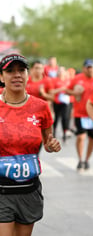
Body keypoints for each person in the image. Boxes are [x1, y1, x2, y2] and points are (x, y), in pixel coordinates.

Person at [0, 53, 61, 236]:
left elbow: (47, 141)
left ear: (28, 75)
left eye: (21, 70)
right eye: (10, 71)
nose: (17, 75)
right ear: (1, 77)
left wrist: (52, 145)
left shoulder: (41, 107)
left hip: (29, 189)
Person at [65, 59, 93, 170]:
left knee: (92, 138)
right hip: (80, 113)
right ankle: (80, 159)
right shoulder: (78, 79)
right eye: (88, 67)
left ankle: (87, 159)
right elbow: (67, 90)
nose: (90, 69)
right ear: (84, 68)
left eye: (92, 67)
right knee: (81, 137)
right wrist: (75, 93)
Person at [49, 66, 72, 142]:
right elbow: (51, 92)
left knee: (65, 118)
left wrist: (67, 91)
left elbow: (72, 91)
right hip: (56, 101)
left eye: (62, 71)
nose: (60, 72)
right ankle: (54, 133)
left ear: (65, 72)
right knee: (56, 118)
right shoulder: (54, 80)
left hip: (66, 102)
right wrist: (60, 89)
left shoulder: (68, 81)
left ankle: (65, 132)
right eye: (59, 71)